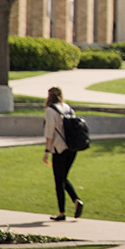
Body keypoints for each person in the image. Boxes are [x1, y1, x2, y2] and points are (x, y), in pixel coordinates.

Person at [41, 86, 83, 221]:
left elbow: (49, 133)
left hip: (59, 148)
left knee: (59, 180)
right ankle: (76, 200)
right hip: (72, 148)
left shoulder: (50, 110)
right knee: (63, 177)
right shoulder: (68, 108)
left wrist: (47, 151)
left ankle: (62, 212)